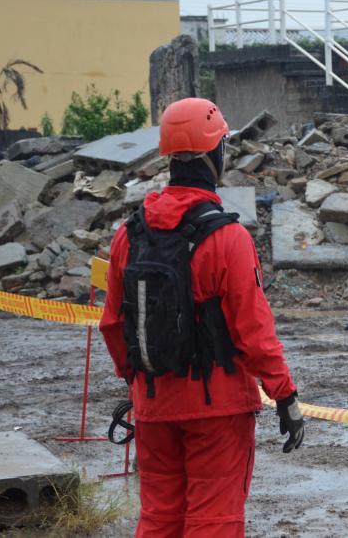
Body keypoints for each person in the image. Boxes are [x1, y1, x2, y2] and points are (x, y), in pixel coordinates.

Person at [99, 98, 304, 538]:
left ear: (169, 157)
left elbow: (113, 324)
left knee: (159, 518)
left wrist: (137, 383)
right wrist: (284, 396)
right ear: (217, 152)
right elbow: (254, 334)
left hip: (153, 404)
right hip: (218, 408)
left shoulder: (128, 234)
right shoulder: (228, 238)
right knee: (214, 520)